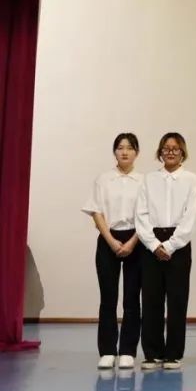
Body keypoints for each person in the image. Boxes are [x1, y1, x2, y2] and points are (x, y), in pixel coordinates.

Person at [135, 132, 196, 370]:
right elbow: (140, 214)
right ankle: (152, 353)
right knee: (151, 298)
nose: (170, 152)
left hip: (178, 244)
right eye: (166, 148)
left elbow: (191, 217)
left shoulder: (191, 179)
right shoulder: (149, 179)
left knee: (177, 299)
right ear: (160, 152)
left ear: (182, 152)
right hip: (151, 242)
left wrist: (171, 245)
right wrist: (154, 245)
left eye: (175, 148)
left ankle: (173, 353)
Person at [82, 133, 144, 370]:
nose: (124, 152)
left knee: (132, 298)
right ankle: (107, 350)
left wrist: (132, 242)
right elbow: (96, 211)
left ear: (137, 152)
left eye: (129, 148)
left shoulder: (144, 181)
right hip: (108, 239)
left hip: (136, 239)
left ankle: (128, 350)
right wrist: (110, 240)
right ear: (114, 152)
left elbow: (147, 215)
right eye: (120, 148)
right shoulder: (103, 179)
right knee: (108, 297)